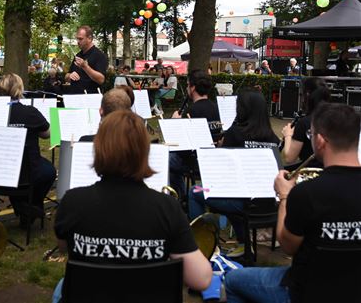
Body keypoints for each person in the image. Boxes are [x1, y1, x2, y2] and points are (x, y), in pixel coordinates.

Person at [54, 110, 212, 300]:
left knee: (61, 287)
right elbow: (201, 279)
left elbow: (64, 247)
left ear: (99, 149)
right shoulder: (167, 207)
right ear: (144, 152)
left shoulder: (72, 201)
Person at [225, 102, 361, 303]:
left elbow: (288, 245)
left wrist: (285, 196)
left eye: (311, 135)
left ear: (321, 141)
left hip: (305, 290)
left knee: (232, 280)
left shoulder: (306, 193)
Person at [188, 88, 280, 258]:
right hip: (269, 204)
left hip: (241, 202)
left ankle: (200, 243)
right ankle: (243, 241)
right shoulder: (273, 138)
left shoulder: (235, 133)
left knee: (195, 192)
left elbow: (223, 172)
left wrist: (221, 147)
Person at [0, 73, 57, 226]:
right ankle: (32, 205)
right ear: (20, 89)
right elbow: (47, 134)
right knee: (50, 171)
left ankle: (21, 204)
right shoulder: (30, 112)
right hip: (29, 170)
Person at [169, 70, 221, 199]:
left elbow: (180, 145)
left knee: (167, 159)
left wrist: (175, 123)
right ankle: (185, 196)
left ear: (192, 88)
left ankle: (180, 197)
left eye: (188, 85)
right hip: (212, 157)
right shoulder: (216, 108)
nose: (187, 88)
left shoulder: (190, 111)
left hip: (193, 161)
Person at [281, 77, 330, 168]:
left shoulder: (304, 123)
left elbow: (289, 158)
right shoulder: (338, 117)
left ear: (307, 95)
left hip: (312, 171)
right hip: (335, 170)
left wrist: (288, 135)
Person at [65, 25, 108, 94]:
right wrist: (70, 76)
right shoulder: (78, 55)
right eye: (77, 39)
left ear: (90, 38)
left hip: (90, 99)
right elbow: (66, 76)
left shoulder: (99, 55)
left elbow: (101, 80)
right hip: (75, 97)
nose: (78, 41)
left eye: (81, 39)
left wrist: (85, 67)